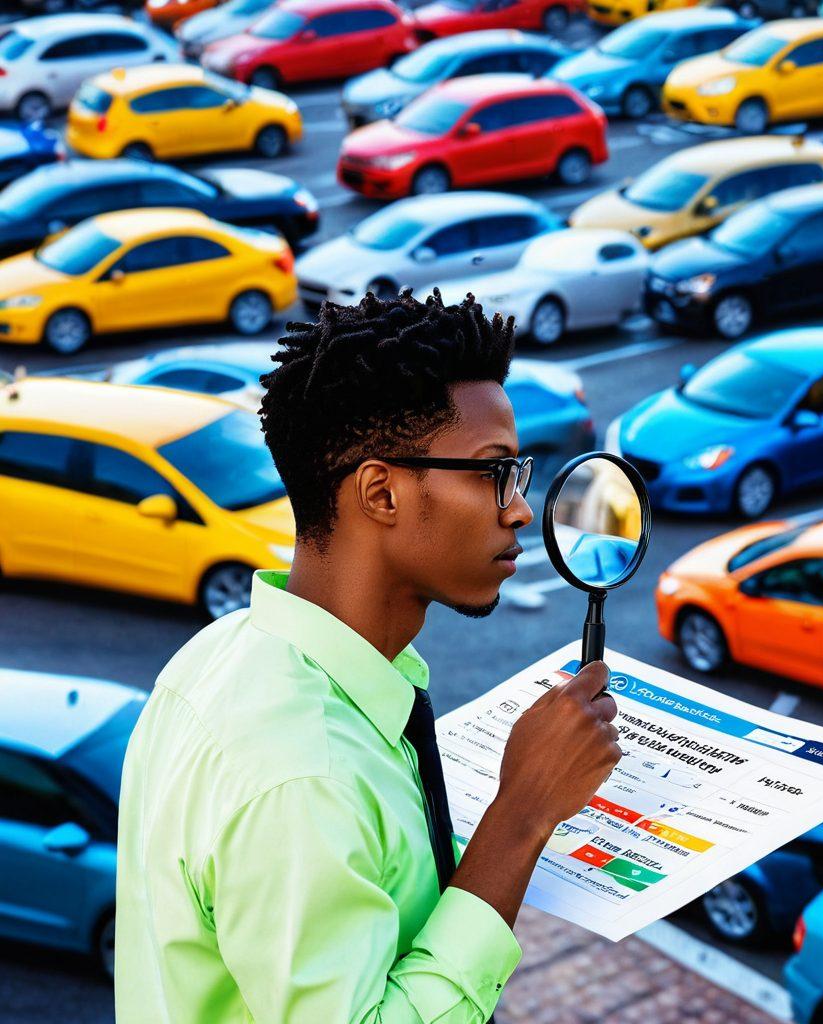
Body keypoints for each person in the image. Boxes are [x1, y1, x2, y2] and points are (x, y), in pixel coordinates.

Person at [114, 289, 622, 1022]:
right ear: (380, 492)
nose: (517, 508)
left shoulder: (216, 656)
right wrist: (522, 813)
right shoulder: (303, 775)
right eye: (492, 472)